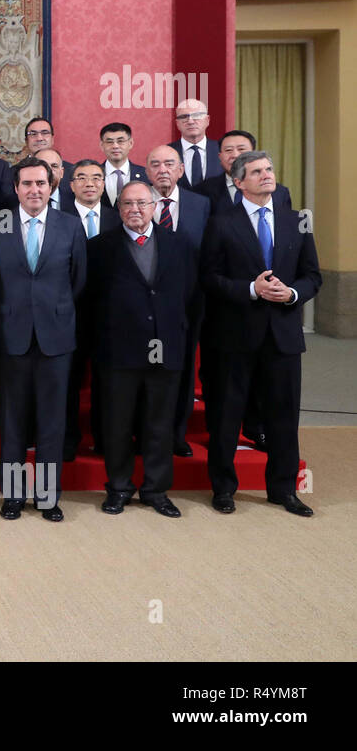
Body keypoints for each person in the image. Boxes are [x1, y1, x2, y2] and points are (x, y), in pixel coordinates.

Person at [201, 150, 320, 517]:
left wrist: (293, 294)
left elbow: (312, 276)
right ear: (239, 182)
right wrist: (251, 289)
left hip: (282, 335)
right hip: (234, 336)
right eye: (256, 171)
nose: (266, 175)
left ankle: (283, 490)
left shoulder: (296, 220)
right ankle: (223, 489)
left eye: (268, 169)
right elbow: (209, 278)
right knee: (227, 415)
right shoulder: (221, 222)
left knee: (284, 415)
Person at [89, 182, 198, 517]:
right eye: (127, 204)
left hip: (166, 347)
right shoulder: (99, 247)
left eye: (141, 203)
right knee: (118, 422)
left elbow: (192, 297)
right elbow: (90, 301)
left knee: (159, 422)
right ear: (118, 208)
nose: (135, 209)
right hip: (118, 351)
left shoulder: (180, 245)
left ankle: (156, 489)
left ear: (154, 206)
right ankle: (119, 487)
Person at [0, 158, 86, 522]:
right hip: (12, 336)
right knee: (12, 420)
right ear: (15, 188)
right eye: (27, 184)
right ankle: (12, 496)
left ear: (52, 186)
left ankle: (48, 497)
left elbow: (78, 280)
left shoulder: (69, 225)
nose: (34, 190)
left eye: (41, 184)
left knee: (52, 422)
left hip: (56, 338)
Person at [146, 144, 211, 457]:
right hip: (144, 304)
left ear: (181, 169)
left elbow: (210, 255)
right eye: (155, 164)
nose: (162, 170)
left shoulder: (201, 205)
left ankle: (177, 433)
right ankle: (144, 431)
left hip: (187, 302)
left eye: (169, 163)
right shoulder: (136, 202)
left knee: (182, 370)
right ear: (146, 171)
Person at [63, 159, 120, 460]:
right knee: (68, 382)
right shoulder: (58, 217)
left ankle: (104, 439)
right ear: (70, 185)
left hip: (108, 317)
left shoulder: (117, 218)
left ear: (104, 184)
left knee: (107, 381)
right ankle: (68, 440)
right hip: (67, 314)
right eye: (82, 178)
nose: (89, 183)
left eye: (96, 178)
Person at [194, 129, 293, 217]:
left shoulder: (280, 193)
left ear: (254, 154)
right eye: (228, 150)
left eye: (241, 149)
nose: (235, 155)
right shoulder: (202, 191)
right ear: (220, 156)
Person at [169, 98, 219, 190]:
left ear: (207, 120)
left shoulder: (221, 149)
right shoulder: (167, 152)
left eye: (197, 115)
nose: (191, 121)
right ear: (177, 124)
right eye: (184, 117)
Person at [99, 122, 150, 208]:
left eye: (120, 141)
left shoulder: (146, 174)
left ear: (130, 143)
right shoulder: (93, 176)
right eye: (109, 142)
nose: (115, 146)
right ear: (101, 146)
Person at [16, 118, 73, 187]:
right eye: (33, 134)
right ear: (26, 141)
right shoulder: (13, 173)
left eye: (45, 133)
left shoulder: (72, 172)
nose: (39, 138)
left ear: (52, 139)